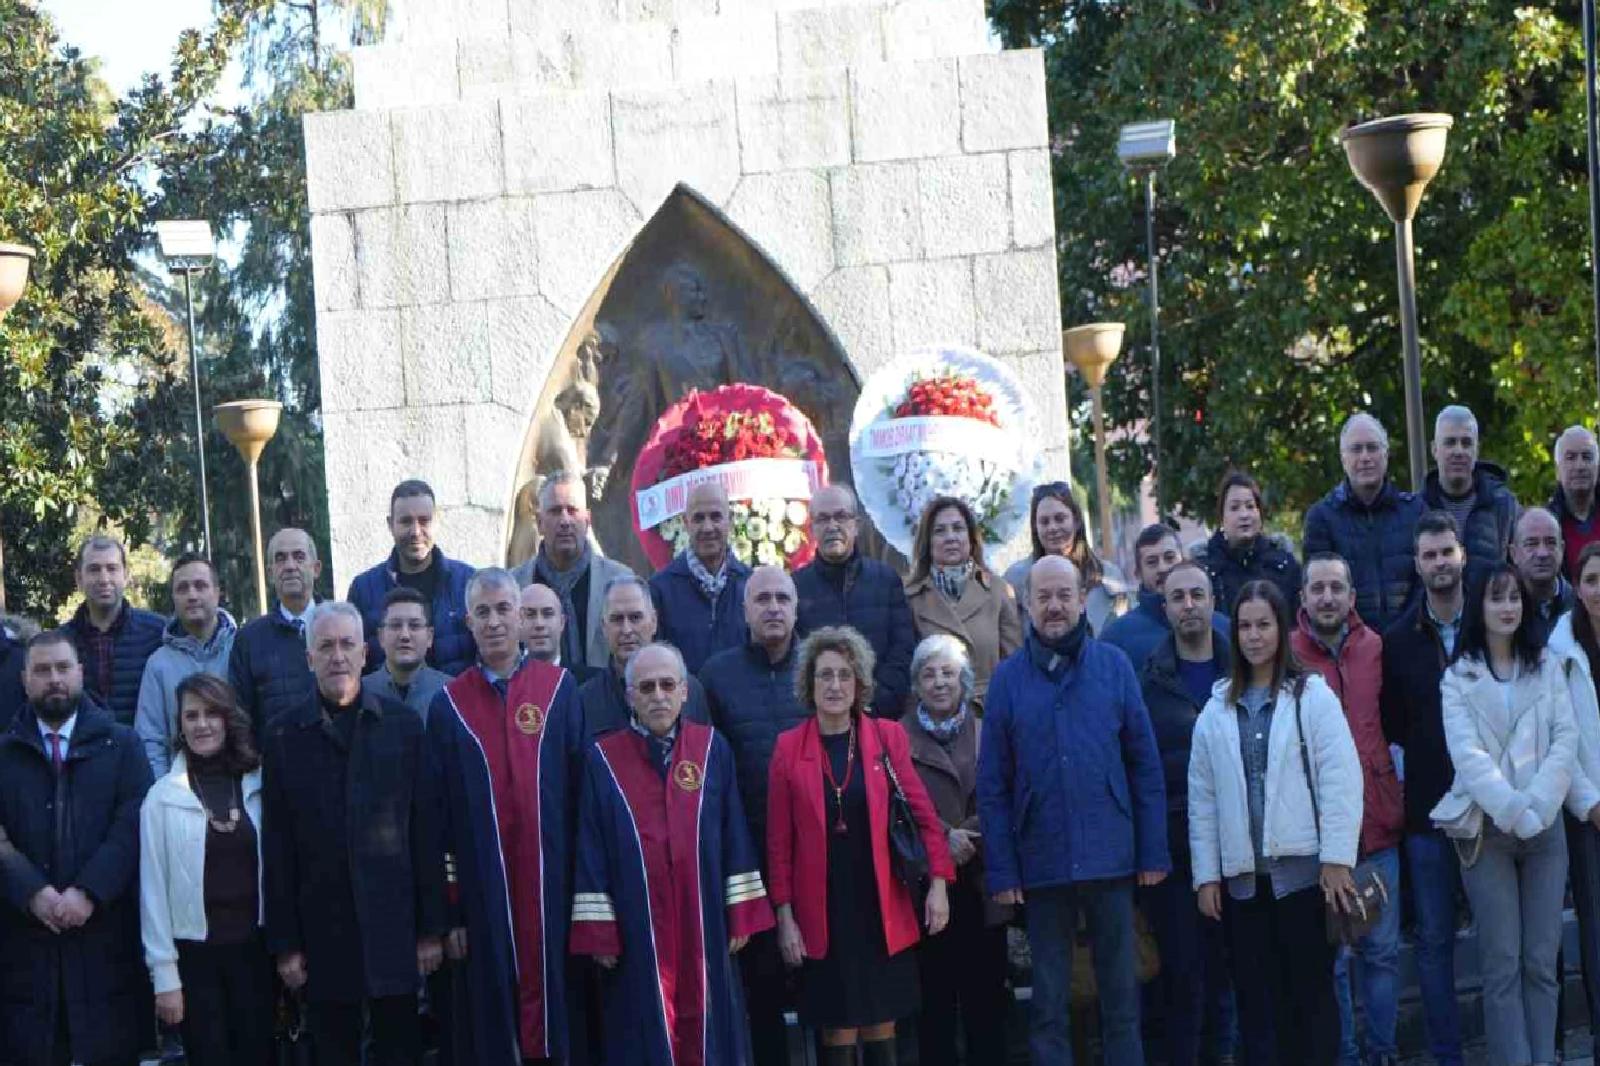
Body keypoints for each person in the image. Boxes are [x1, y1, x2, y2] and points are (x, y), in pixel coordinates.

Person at [976, 555, 1168, 1066]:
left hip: (1112, 859)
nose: (1055, 606)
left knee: (1122, 1003)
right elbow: (993, 786)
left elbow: (1144, 767)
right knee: (1048, 1008)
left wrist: (1152, 853)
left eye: (1065, 594)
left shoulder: (1115, 668)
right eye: (1045, 596)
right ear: (1029, 605)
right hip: (1042, 865)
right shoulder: (1007, 681)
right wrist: (1002, 870)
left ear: (1083, 599)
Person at [571, 642, 775, 1066]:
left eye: (667, 685)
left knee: (710, 1022)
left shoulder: (711, 749)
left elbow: (733, 831)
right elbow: (590, 849)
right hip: (636, 927)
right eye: (646, 687)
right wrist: (600, 930)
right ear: (630, 696)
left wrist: (741, 911)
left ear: (685, 692)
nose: (658, 695)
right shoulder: (603, 759)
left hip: (704, 922)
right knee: (644, 1025)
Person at [263, 601, 447, 1066]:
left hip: (394, 931)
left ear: (366, 654)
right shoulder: (284, 736)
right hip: (323, 935)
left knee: (400, 1052)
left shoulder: (403, 728)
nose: (337, 656)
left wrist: (431, 930)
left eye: (347, 645)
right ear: (309, 659)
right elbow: (278, 849)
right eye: (325, 646)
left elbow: (424, 833)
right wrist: (286, 945)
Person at [1188, 580, 1362, 1066]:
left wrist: (1336, 859)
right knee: (1259, 1010)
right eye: (1244, 626)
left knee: (1312, 1003)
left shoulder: (1311, 696)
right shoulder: (1217, 707)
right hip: (1245, 886)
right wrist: (1206, 876)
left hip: (1305, 879)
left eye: (1264, 624)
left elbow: (1341, 779)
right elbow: (1203, 800)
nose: (1253, 636)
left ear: (1281, 630)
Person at [768, 625, 954, 1066]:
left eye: (844, 676)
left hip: (881, 904)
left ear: (859, 684)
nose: (835, 686)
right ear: (809, 685)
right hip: (824, 912)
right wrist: (785, 917)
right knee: (838, 1026)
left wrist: (940, 885)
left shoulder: (887, 737)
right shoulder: (788, 748)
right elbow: (778, 844)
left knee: (881, 1020)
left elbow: (925, 818)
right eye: (825, 676)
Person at [427, 568, 587, 1065]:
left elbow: (582, 800)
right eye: (483, 613)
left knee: (561, 1018)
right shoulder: (449, 705)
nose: (494, 622)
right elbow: (440, 820)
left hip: (554, 891)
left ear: (521, 617)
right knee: (493, 1026)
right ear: (467, 622)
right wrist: (450, 912)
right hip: (483, 897)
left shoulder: (560, 691)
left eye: (503, 610)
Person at [1434, 562, 1577, 1066]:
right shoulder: (1457, 678)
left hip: (1545, 827)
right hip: (1487, 829)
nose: (1508, 607)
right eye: (1497, 598)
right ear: (1481, 606)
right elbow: (1467, 757)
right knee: (1502, 966)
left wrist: (1537, 806)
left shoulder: (1547, 665)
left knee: (1541, 962)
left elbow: (1566, 740)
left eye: (1514, 597)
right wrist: (1515, 808)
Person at [0, 630, 153, 1066]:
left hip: (105, 940)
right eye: (43, 670)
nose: (54, 679)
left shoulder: (123, 745)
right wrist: (32, 892)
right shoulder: (4, 754)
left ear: (80, 674)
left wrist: (88, 891)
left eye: (63, 668)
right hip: (26, 946)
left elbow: (132, 824)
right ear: (24, 680)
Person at [1291, 553, 1404, 1066]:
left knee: (1381, 956)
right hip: (1319, 841)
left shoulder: (1375, 647)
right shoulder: (1287, 655)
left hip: (1378, 828)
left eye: (1337, 587)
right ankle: (1347, 1057)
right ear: (1303, 598)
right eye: (1318, 588)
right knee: (1333, 965)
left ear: (1352, 596)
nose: (1328, 597)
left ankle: (1383, 1054)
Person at [699, 565, 812, 1066]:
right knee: (761, 992)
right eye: (761, 599)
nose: (772, 608)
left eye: (781, 598)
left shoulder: (819, 667)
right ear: (744, 610)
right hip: (747, 858)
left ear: (796, 606)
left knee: (823, 989)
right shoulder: (717, 675)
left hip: (817, 857)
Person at [139, 673, 272, 1066]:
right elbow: (153, 896)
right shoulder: (162, 798)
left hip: (257, 957)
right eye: (191, 715)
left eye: (211, 713)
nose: (202, 724)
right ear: (179, 724)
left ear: (229, 718)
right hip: (196, 964)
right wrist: (165, 980)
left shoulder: (260, 784)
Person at [1137, 561, 1235, 1066]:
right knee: (1184, 984)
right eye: (1179, 597)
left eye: (1198, 594)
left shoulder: (1242, 668)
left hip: (1241, 848)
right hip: (1177, 855)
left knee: (1235, 984)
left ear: (1214, 599)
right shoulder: (1148, 681)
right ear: (1165, 606)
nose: (1190, 605)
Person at [1379, 510, 1468, 1066]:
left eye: (1446, 552)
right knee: (1434, 943)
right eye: (1429, 555)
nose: (1439, 563)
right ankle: (1448, 1056)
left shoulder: (1489, 624)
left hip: (1491, 812)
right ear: (1417, 563)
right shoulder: (1398, 642)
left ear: (1462, 556)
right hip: (1430, 818)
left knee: (1509, 942)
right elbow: (1393, 730)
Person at [902, 635, 1010, 1066]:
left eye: (948, 673)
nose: (939, 682)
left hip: (983, 883)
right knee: (936, 1010)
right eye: (929, 674)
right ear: (916, 684)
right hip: (929, 891)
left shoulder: (989, 730)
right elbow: (898, 806)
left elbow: (1005, 793)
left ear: (964, 680)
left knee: (987, 1006)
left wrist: (967, 835)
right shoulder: (896, 737)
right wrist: (943, 839)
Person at [1544, 540, 1600, 1064]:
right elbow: (1563, 737)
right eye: (1592, 580)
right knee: (1596, 928)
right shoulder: (1561, 649)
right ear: (1576, 587)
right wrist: (1590, 803)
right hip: (1589, 816)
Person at [792, 483, 916, 717]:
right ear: (812, 528)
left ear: (856, 525)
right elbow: (795, 661)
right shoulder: (796, 587)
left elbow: (903, 650)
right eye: (823, 519)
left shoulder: (886, 580)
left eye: (841, 516)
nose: (832, 526)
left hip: (880, 717)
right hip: (820, 722)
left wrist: (871, 703)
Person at [1302, 413, 1425, 634]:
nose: (1365, 457)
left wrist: (1404, 632)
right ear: (1343, 458)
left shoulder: (1415, 512)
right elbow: (1320, 592)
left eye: (1372, 447)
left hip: (1411, 639)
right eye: (1356, 449)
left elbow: (1424, 583)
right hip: (1349, 647)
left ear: (1386, 454)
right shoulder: (1321, 518)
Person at [347, 479, 477, 675]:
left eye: (424, 521)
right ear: (390, 524)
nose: (416, 532)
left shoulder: (468, 582)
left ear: (437, 521)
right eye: (406, 521)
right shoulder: (363, 589)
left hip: (459, 703)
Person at [903, 496, 1022, 709]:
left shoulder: (999, 591)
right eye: (940, 531)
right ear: (927, 541)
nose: (950, 537)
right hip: (933, 715)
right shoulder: (910, 597)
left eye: (958, 528)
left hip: (989, 714)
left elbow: (1016, 666)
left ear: (971, 537)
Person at [511, 471, 635, 672]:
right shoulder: (515, 585)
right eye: (555, 511)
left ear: (587, 520)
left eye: (572, 510)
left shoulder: (621, 581)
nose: (565, 520)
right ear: (539, 522)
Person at [136, 554, 238, 777]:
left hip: (241, 786)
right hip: (182, 793)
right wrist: (164, 795)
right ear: (173, 597)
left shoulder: (241, 649)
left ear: (217, 593)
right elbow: (151, 740)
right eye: (183, 588)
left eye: (201, 586)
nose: (192, 595)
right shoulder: (158, 665)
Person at [580, 576, 710, 740]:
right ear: (604, 628)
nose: (626, 630)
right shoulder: (586, 700)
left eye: (635, 618)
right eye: (617, 619)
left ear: (654, 622)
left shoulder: (690, 691)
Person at [1003, 480, 1131, 635]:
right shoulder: (1015, 581)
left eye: (1060, 518)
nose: (1052, 528)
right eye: (1044, 522)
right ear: (1035, 528)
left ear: (1076, 521)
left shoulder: (1109, 577)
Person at [62, 534, 164, 727]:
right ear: (79, 579)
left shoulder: (158, 633)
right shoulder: (62, 642)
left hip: (141, 752)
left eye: (112, 568)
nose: (104, 578)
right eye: (94, 569)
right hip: (84, 753)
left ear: (125, 576)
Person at [649, 481, 751, 675]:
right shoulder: (659, 590)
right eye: (698, 518)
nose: (707, 527)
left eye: (715, 517)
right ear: (686, 523)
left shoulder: (751, 586)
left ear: (729, 520)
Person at [228, 527, 320, 737]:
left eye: (298, 557)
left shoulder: (339, 627)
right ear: (270, 573)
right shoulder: (249, 640)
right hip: (274, 765)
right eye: (280, 558)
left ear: (316, 568)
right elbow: (239, 718)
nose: (289, 566)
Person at [1101, 523, 1229, 671]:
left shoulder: (1224, 628)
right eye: (1152, 562)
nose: (1163, 568)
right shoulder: (1117, 638)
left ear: (1183, 559)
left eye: (1169, 558)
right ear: (1138, 573)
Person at [1422, 405, 1519, 574]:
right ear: (1434, 450)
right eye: (1450, 442)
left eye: (1466, 443)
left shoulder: (1505, 506)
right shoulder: (1417, 509)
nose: (1458, 451)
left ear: (1476, 450)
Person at [1195, 470, 1302, 613]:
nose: (1244, 515)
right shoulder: (1204, 569)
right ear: (1222, 517)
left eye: (1250, 506)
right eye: (1234, 508)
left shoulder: (1284, 564)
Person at [361, 587, 450, 720]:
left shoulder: (451, 693)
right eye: (395, 625)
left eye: (414, 626)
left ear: (429, 637)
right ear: (381, 637)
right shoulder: (361, 692)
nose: (405, 635)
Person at [1511, 507, 1571, 644]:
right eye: (1531, 544)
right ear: (1514, 553)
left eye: (1550, 543)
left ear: (1562, 549)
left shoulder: (1581, 606)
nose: (1542, 553)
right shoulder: (1499, 612)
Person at [520, 581, 596, 684]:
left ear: (562, 622)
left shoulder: (589, 683)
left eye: (548, 614)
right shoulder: (503, 681)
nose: (539, 624)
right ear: (518, 623)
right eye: (530, 615)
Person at [1551, 425, 1600, 579]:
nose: (1579, 466)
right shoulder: (1548, 526)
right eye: (1570, 458)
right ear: (1557, 471)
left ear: (1597, 468)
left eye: (1587, 457)